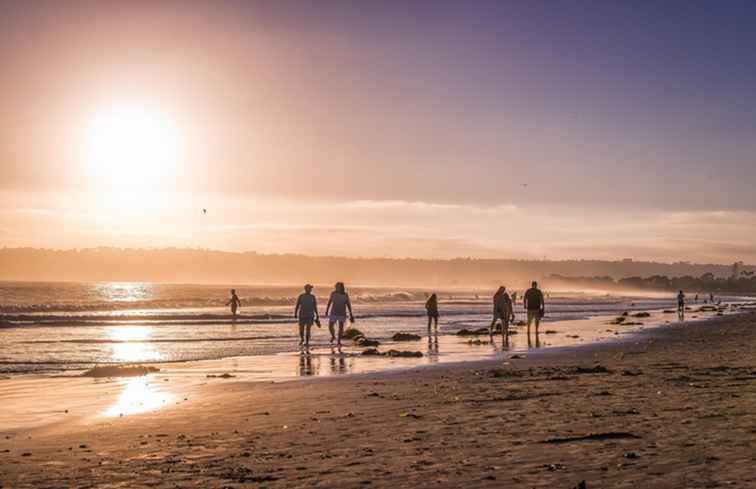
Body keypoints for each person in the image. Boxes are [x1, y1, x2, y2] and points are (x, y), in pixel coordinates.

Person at [326, 282, 354, 346]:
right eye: (336, 286)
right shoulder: (333, 293)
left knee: (341, 328)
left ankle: (338, 341)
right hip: (333, 312)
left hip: (342, 313)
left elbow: (348, 304)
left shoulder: (345, 295)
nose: (337, 287)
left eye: (338, 286)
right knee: (330, 326)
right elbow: (329, 302)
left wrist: (351, 314)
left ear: (341, 287)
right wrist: (327, 310)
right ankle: (333, 336)